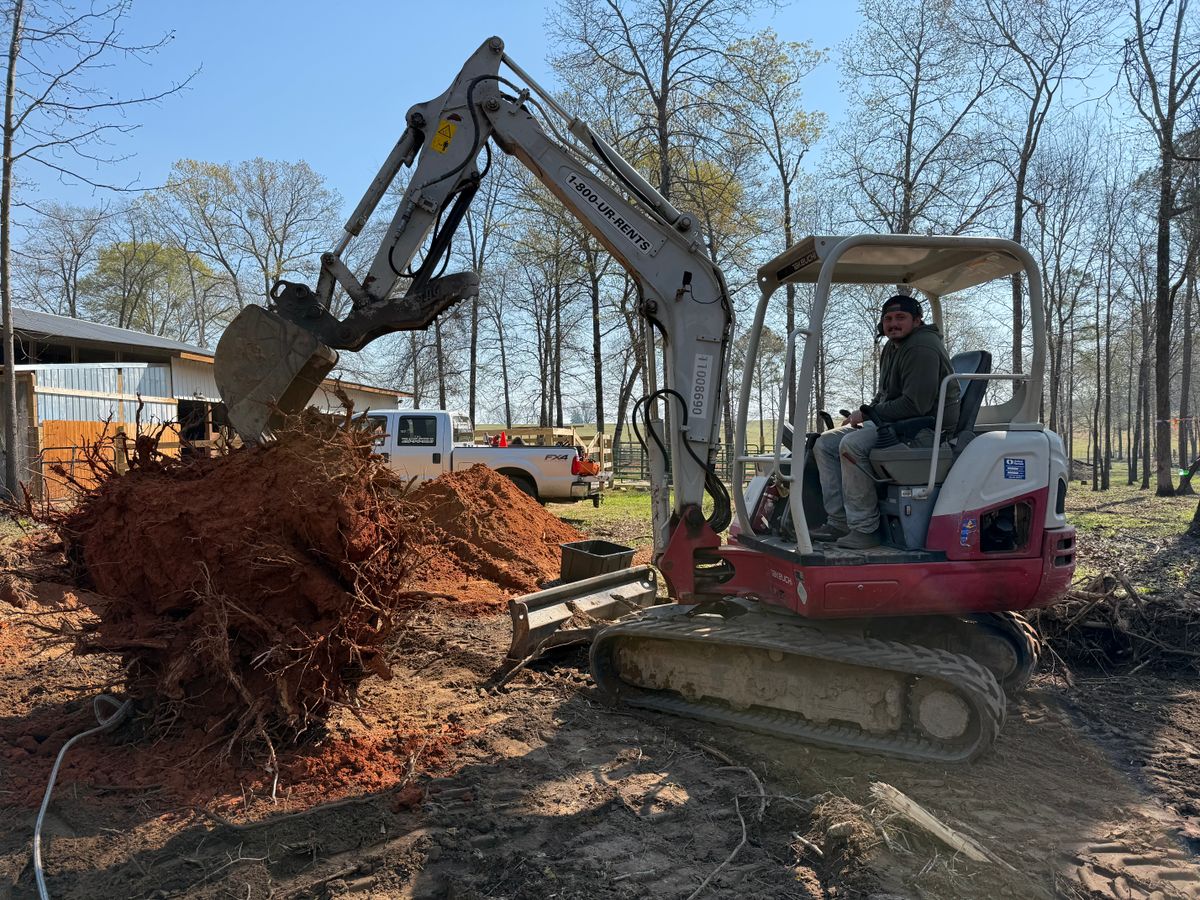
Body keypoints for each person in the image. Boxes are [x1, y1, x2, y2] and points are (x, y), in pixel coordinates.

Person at [810, 293, 960, 550]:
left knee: (852, 446)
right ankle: (840, 521)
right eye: (888, 318)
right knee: (824, 444)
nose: (893, 323)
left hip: (925, 428)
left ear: (917, 320)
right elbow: (885, 395)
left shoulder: (921, 347)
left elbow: (915, 405)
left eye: (900, 317)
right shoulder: (894, 346)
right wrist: (861, 414)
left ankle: (865, 529)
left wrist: (868, 415)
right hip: (900, 422)